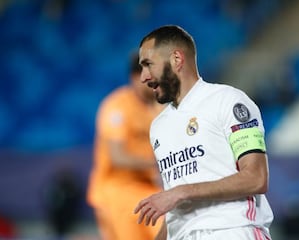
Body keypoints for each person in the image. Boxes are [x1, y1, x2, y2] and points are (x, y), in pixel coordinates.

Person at [134, 25, 274, 240]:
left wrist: (180, 192)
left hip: (231, 230)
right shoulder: (158, 126)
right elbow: (176, 209)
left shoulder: (228, 101)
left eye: (148, 65)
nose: (144, 77)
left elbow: (256, 178)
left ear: (176, 60)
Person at [87, 53, 163, 240]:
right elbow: (117, 156)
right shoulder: (117, 107)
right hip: (117, 189)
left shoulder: (159, 108)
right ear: (136, 77)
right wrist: (156, 165)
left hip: (147, 189)